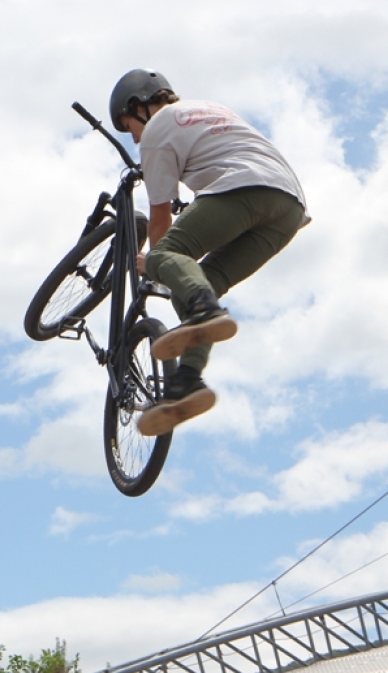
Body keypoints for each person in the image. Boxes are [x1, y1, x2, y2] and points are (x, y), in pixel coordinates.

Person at [109, 69, 308, 436]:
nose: (135, 137)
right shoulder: (210, 108)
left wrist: (156, 265)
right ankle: (187, 382)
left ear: (138, 106)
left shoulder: (155, 131)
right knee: (207, 283)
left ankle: (202, 308)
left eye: (129, 126)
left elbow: (159, 219)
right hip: (289, 209)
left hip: (243, 187)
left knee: (165, 257)